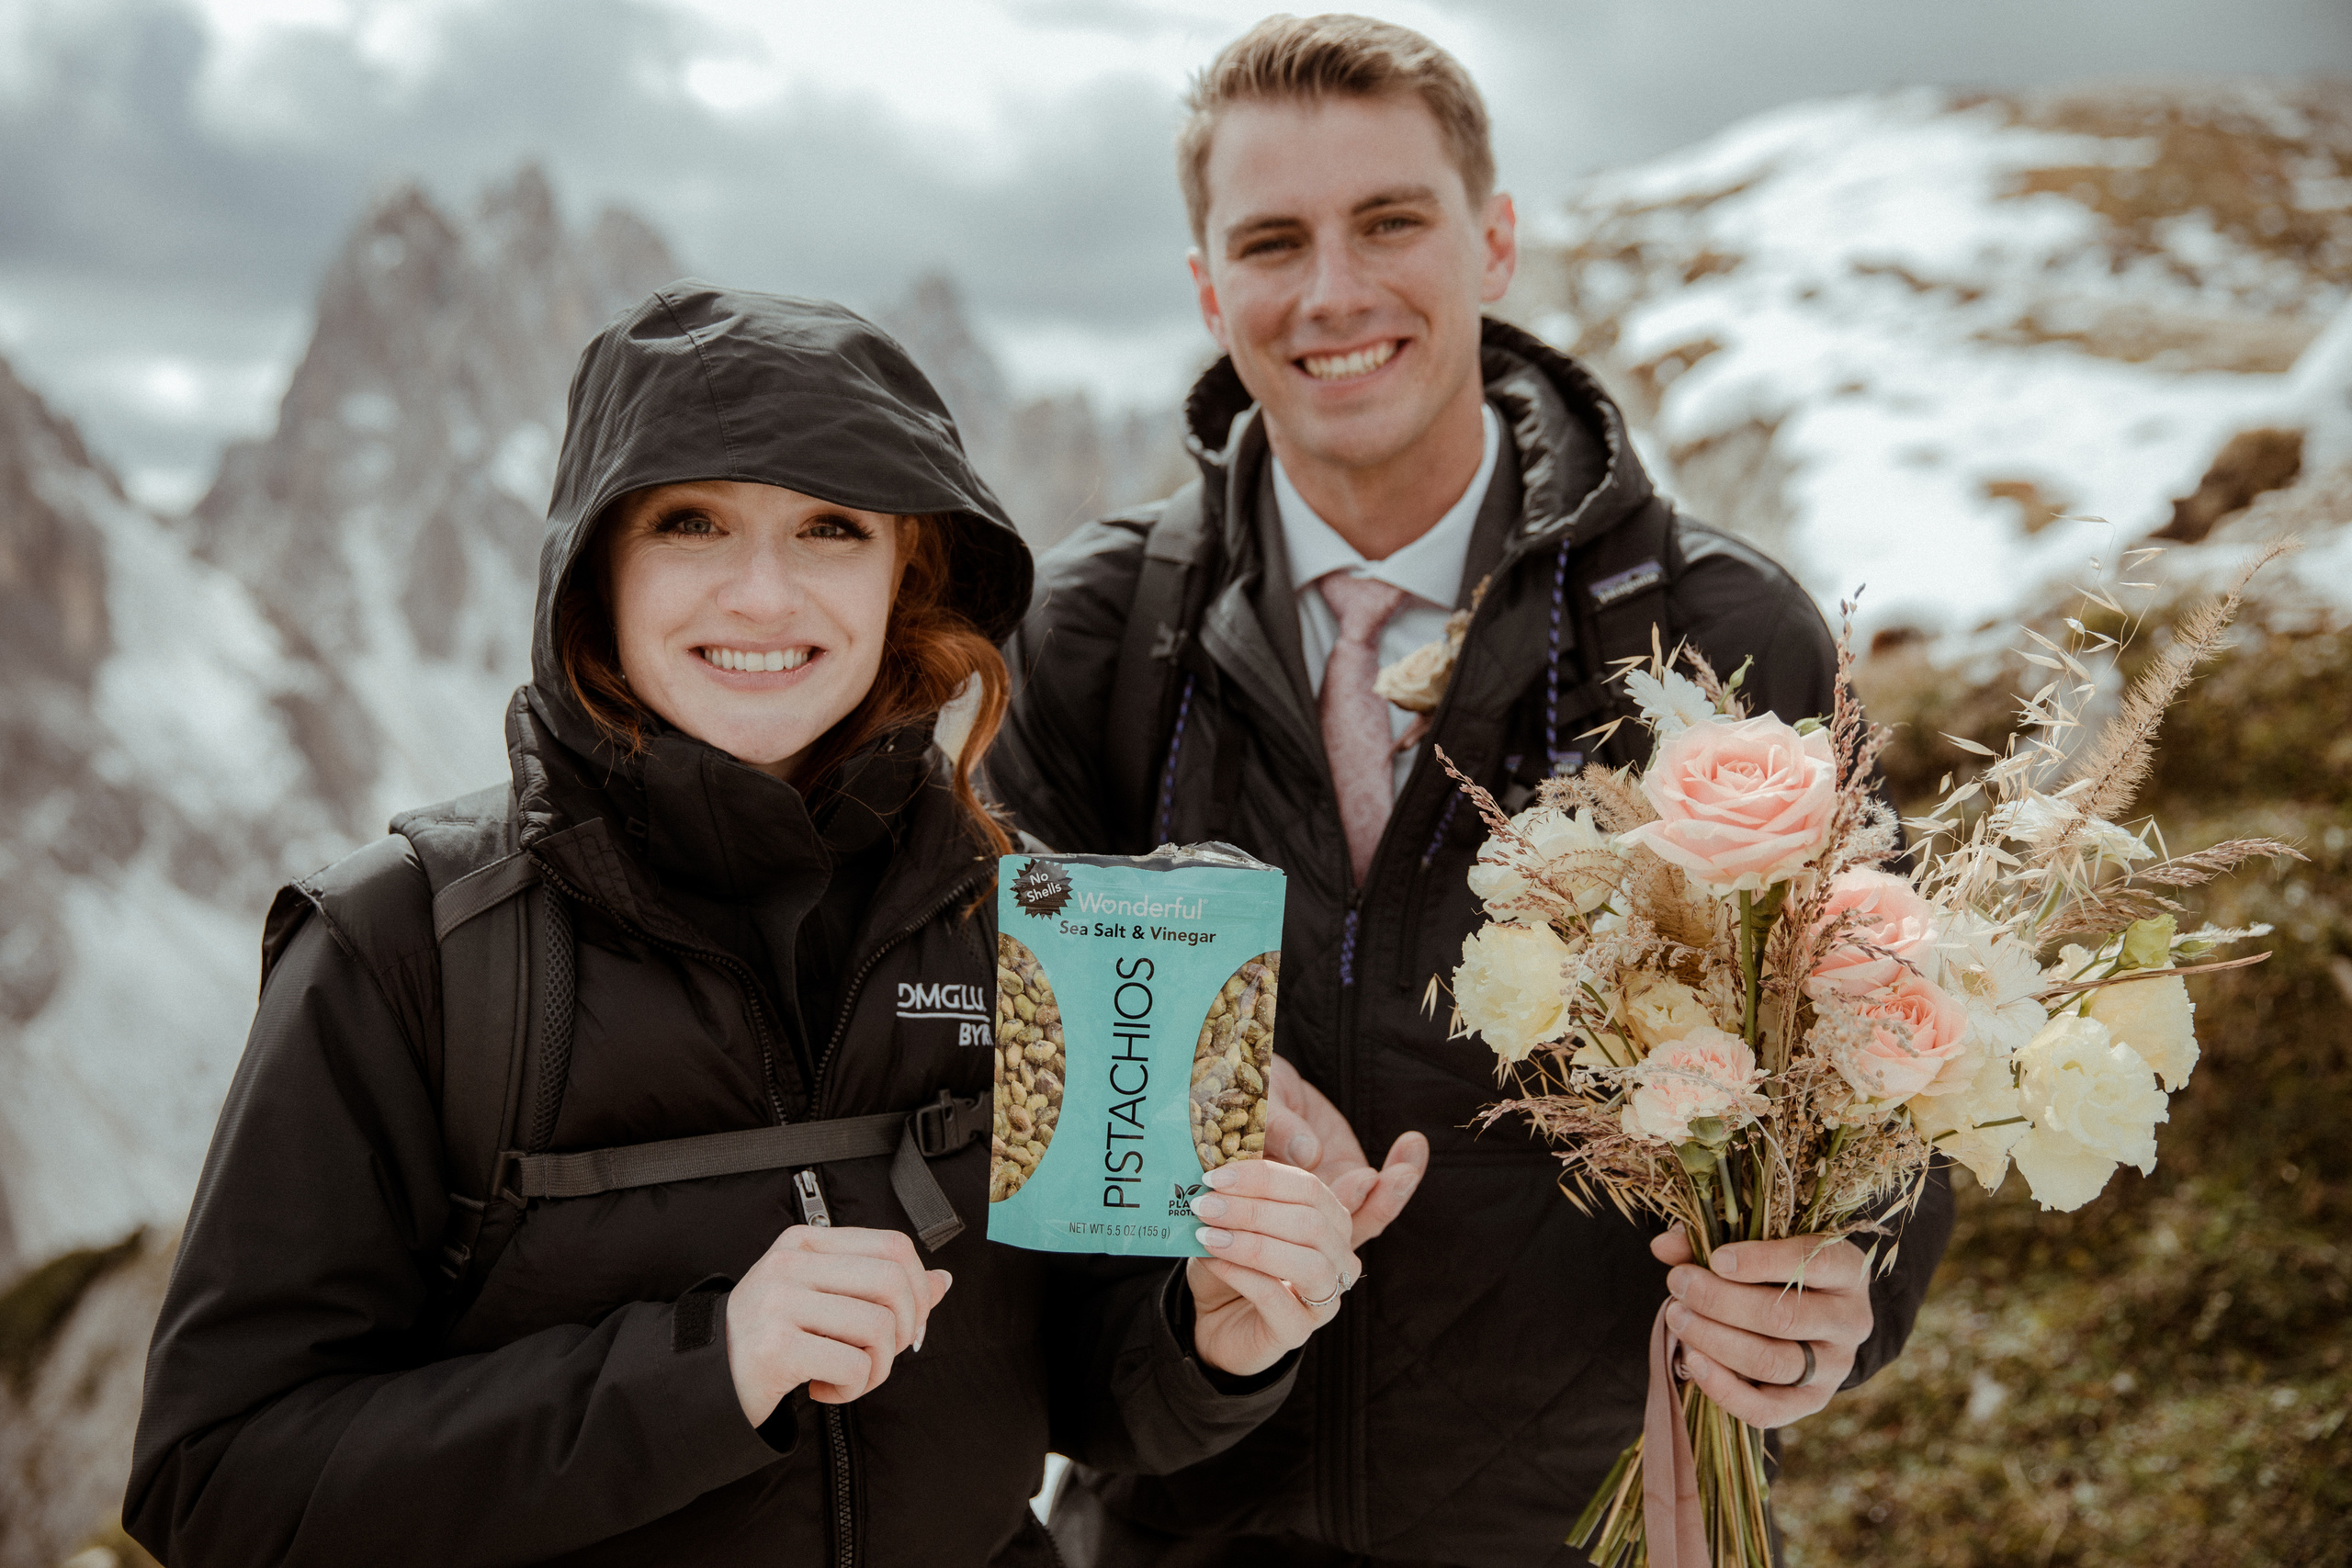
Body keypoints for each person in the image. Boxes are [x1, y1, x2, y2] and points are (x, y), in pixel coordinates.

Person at [125, 283, 1362, 1568]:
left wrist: (1210, 1333)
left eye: (831, 527)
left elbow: (1078, 1389)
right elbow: (217, 1486)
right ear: (596, 567)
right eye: (692, 523)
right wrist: (707, 1372)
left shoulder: (1026, 916)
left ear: (908, 574)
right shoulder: (404, 947)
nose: (764, 596)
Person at [988, 17, 1956, 1565]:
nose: (1335, 292)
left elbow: (1888, 1079)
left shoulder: (1718, 637)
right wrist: (1199, 1344)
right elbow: (1032, 1174)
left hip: (1606, 1525)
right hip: (1186, 1532)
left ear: (1493, 239)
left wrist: (1843, 1302)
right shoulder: (1092, 642)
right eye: (1272, 241)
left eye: (1390, 221)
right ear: (1204, 288)